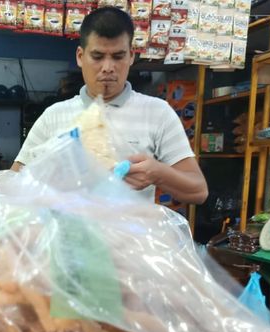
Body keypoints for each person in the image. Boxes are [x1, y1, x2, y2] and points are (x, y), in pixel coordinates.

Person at [11, 7, 208, 205]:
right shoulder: (53, 117)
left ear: (131, 56)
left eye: (118, 56)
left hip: (131, 235)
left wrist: (158, 173)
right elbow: (15, 184)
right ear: (80, 56)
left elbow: (199, 190)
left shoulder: (157, 113)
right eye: (97, 56)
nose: (107, 68)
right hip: (68, 234)